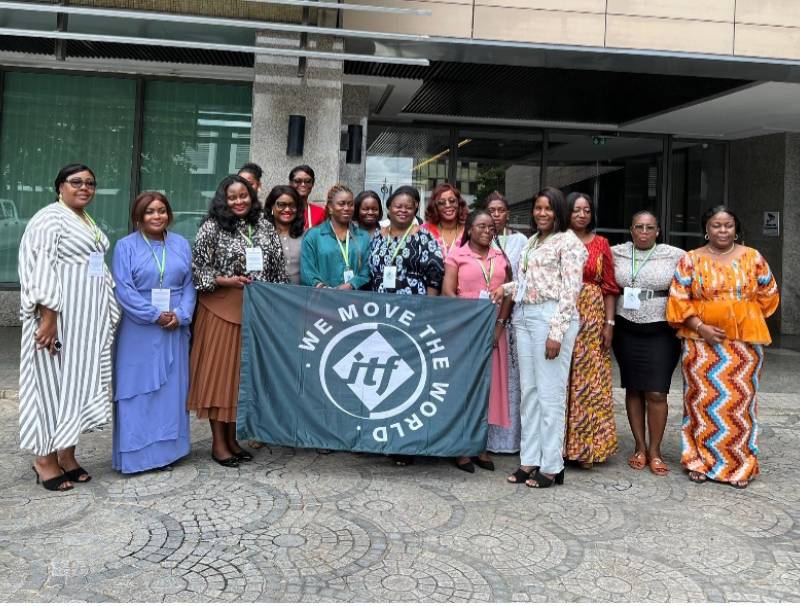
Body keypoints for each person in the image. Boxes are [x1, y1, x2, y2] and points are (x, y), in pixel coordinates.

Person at [18, 163, 120, 491]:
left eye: (90, 183)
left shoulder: (84, 219)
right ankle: (44, 459)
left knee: (74, 385)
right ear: (60, 186)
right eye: (76, 182)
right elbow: (39, 267)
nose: (84, 187)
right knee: (50, 387)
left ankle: (67, 453)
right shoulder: (49, 218)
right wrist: (49, 318)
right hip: (58, 323)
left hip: (85, 324)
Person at [667, 205, 779, 488]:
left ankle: (740, 464)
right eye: (716, 225)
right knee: (701, 402)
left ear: (736, 228)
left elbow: (769, 294)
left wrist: (741, 317)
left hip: (743, 347)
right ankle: (699, 461)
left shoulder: (753, 257)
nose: (722, 230)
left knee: (740, 405)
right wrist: (702, 326)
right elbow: (678, 298)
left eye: (728, 225)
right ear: (706, 228)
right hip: (700, 345)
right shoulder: (691, 260)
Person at [491, 186, 586, 488]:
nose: (542, 213)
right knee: (529, 394)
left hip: (552, 319)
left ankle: (552, 465)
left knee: (550, 395)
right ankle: (530, 459)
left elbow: (571, 290)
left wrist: (556, 332)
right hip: (526, 316)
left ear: (558, 211)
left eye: (548, 208)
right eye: (538, 208)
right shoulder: (533, 240)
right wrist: (504, 289)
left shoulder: (568, 243)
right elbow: (527, 283)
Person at [189, 175, 287, 467]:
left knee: (239, 380)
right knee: (220, 378)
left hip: (256, 312)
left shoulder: (265, 225)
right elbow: (197, 271)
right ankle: (219, 445)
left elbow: (278, 268)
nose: (239, 201)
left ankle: (233, 440)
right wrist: (226, 281)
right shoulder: (211, 226)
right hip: (221, 309)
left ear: (252, 195)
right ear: (223, 199)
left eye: (243, 196)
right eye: (232, 197)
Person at [111, 192, 196, 473]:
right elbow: (123, 289)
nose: (156, 216)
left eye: (161, 210)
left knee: (172, 392)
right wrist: (154, 315)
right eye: (149, 212)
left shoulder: (181, 244)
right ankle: (138, 455)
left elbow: (189, 286)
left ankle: (169, 452)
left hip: (175, 327)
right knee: (137, 390)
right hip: (140, 329)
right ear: (138, 216)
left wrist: (181, 315)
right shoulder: (126, 247)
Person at [369, 185, 444, 466]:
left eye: (408, 206)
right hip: (381, 316)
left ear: (415, 210)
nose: (402, 209)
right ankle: (381, 437)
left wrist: (428, 311)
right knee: (383, 376)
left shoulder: (424, 236)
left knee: (408, 377)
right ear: (388, 209)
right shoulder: (379, 235)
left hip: (412, 316)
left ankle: (406, 444)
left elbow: (435, 275)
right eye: (397, 205)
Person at [611, 211, 684, 477]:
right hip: (626, 328)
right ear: (631, 229)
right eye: (639, 227)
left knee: (656, 392)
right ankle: (640, 448)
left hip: (662, 330)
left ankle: (656, 450)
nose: (644, 232)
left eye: (649, 227)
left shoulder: (675, 255)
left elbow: (690, 287)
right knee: (633, 388)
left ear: (658, 231)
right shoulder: (616, 252)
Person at [445, 209, 513, 473]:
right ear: (470, 229)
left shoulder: (500, 257)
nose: (487, 231)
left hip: (494, 332)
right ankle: (461, 447)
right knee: (464, 387)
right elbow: (448, 292)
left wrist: (499, 327)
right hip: (464, 331)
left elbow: (509, 295)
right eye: (481, 226)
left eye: (491, 228)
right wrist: (467, 323)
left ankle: (480, 446)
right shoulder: (457, 255)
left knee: (488, 389)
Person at [564, 192, 620, 469]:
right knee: (561, 379)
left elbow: (610, 287)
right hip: (562, 312)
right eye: (576, 210)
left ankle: (587, 448)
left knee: (588, 382)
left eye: (586, 210)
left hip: (592, 316)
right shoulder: (557, 240)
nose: (582, 215)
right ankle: (559, 446)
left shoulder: (601, 244)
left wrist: (609, 323)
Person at [484, 191, 528, 455]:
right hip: (483, 315)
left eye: (500, 210)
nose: (496, 215)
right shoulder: (478, 236)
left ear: (507, 213)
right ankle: (485, 439)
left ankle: (510, 441)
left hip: (512, 317)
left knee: (511, 381)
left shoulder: (520, 240)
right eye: (491, 210)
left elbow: (522, 276)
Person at [300, 184, 371, 290]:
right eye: (341, 204)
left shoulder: (363, 237)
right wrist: (324, 289)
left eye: (350, 204)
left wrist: (351, 285)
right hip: (321, 299)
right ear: (330, 207)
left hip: (354, 301)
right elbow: (307, 270)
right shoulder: (313, 236)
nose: (347, 208)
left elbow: (367, 270)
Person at [264, 185, 304, 285]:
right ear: (271, 207)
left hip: (299, 296)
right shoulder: (262, 235)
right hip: (267, 295)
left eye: (292, 205)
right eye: (281, 205)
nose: (287, 209)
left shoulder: (307, 236)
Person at [421, 184, 468, 259]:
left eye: (452, 201)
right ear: (435, 207)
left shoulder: (469, 231)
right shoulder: (424, 231)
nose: (448, 205)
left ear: (459, 203)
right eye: (441, 203)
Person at [290, 165, 326, 229]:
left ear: (313, 184)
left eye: (308, 181)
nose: (303, 185)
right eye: (297, 181)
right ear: (290, 183)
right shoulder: (283, 211)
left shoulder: (320, 213)